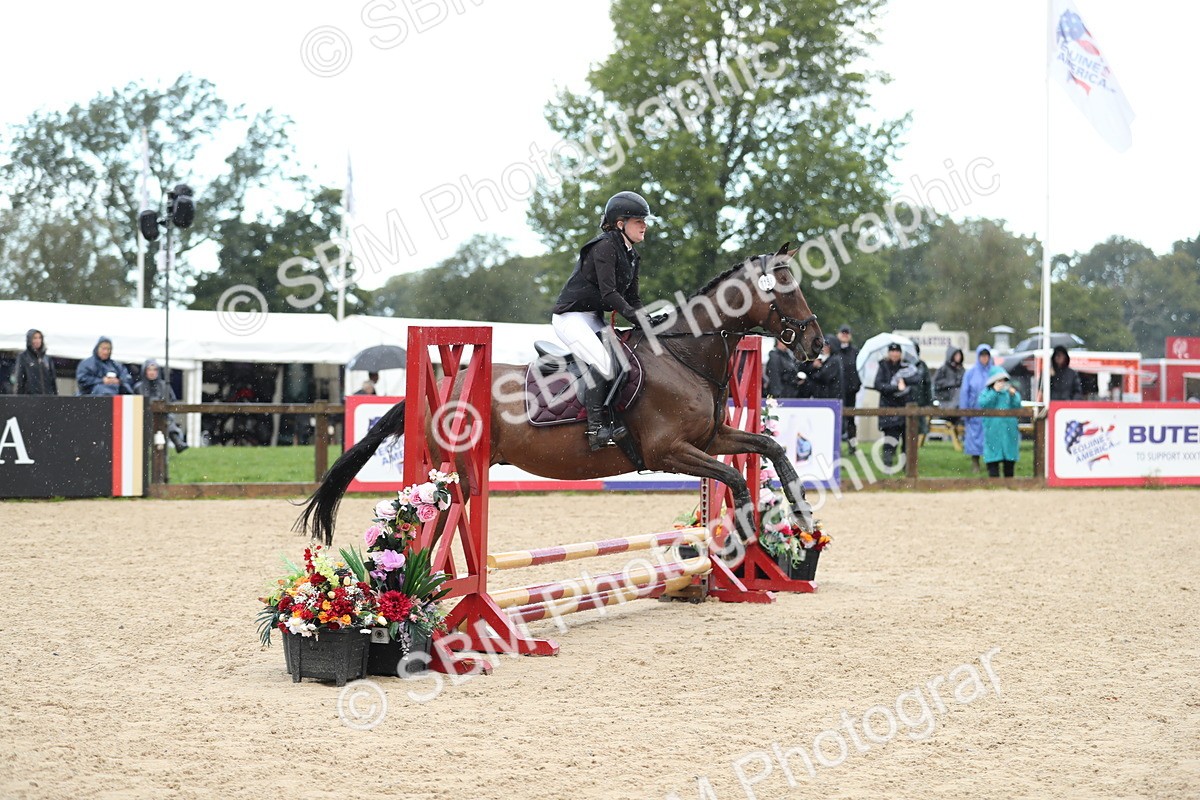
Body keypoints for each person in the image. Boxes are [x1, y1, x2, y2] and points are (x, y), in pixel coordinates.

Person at [551, 191, 653, 450]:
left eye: (644, 221)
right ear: (621, 224)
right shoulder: (604, 246)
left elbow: (633, 298)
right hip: (571, 318)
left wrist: (648, 321)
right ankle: (596, 427)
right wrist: (635, 317)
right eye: (638, 221)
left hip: (592, 318)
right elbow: (610, 294)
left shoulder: (632, 255)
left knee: (625, 362)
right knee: (605, 362)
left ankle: (613, 418)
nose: (645, 225)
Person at [135, 359, 188, 453]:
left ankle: (177, 441)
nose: (152, 372)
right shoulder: (138, 387)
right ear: (145, 371)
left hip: (164, 417)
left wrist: (170, 416)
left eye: (154, 370)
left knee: (167, 422)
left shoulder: (164, 386)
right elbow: (135, 406)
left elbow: (172, 403)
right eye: (149, 369)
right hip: (144, 417)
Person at [978, 367, 1021, 478]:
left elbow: (1017, 406)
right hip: (993, 433)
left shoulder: (1010, 394)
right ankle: (994, 487)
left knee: (1009, 463)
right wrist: (994, 392)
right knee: (993, 462)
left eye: (1004, 380)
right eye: (999, 380)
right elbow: (983, 404)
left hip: (1009, 433)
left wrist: (1013, 395)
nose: (1002, 383)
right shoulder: (986, 393)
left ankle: (1009, 487)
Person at [873, 342, 910, 467]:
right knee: (890, 438)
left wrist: (904, 384)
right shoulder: (883, 366)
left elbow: (914, 381)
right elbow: (878, 384)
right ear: (889, 353)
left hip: (903, 407)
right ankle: (887, 465)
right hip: (888, 407)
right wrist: (895, 388)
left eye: (897, 351)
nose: (895, 354)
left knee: (907, 440)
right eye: (892, 351)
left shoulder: (906, 367)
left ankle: (906, 466)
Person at [960, 344, 993, 473]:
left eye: (986, 356)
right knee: (974, 438)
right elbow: (965, 392)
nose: (984, 358)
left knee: (990, 437)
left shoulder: (994, 372)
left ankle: (991, 464)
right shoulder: (970, 373)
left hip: (991, 413)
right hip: (974, 412)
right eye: (982, 355)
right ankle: (975, 463)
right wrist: (965, 410)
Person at [835, 325, 862, 452]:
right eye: (843, 333)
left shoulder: (855, 352)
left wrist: (855, 386)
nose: (845, 336)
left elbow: (859, 371)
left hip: (850, 391)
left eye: (847, 333)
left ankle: (853, 445)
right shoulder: (834, 350)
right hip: (836, 390)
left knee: (851, 419)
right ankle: (836, 445)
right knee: (836, 419)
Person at [15, 329, 58, 395]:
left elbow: (53, 381)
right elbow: (20, 380)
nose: (38, 340)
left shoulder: (47, 358)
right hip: (30, 398)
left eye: (39, 338)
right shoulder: (23, 357)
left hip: (47, 398)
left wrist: (55, 397)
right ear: (29, 340)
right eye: (34, 338)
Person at [809, 335, 844, 401]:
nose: (823, 348)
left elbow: (824, 376)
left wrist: (813, 373)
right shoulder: (826, 359)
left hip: (831, 396)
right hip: (824, 396)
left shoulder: (834, 360)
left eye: (826, 345)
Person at [909, 343, 933, 438]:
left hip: (920, 401)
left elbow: (927, 385)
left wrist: (928, 402)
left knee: (919, 428)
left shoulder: (922, 365)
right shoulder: (904, 364)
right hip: (907, 401)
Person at [933, 347, 965, 417]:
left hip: (958, 403)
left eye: (959, 355)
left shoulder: (961, 370)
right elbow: (936, 383)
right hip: (945, 401)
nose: (958, 357)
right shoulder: (943, 369)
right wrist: (951, 383)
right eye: (956, 355)